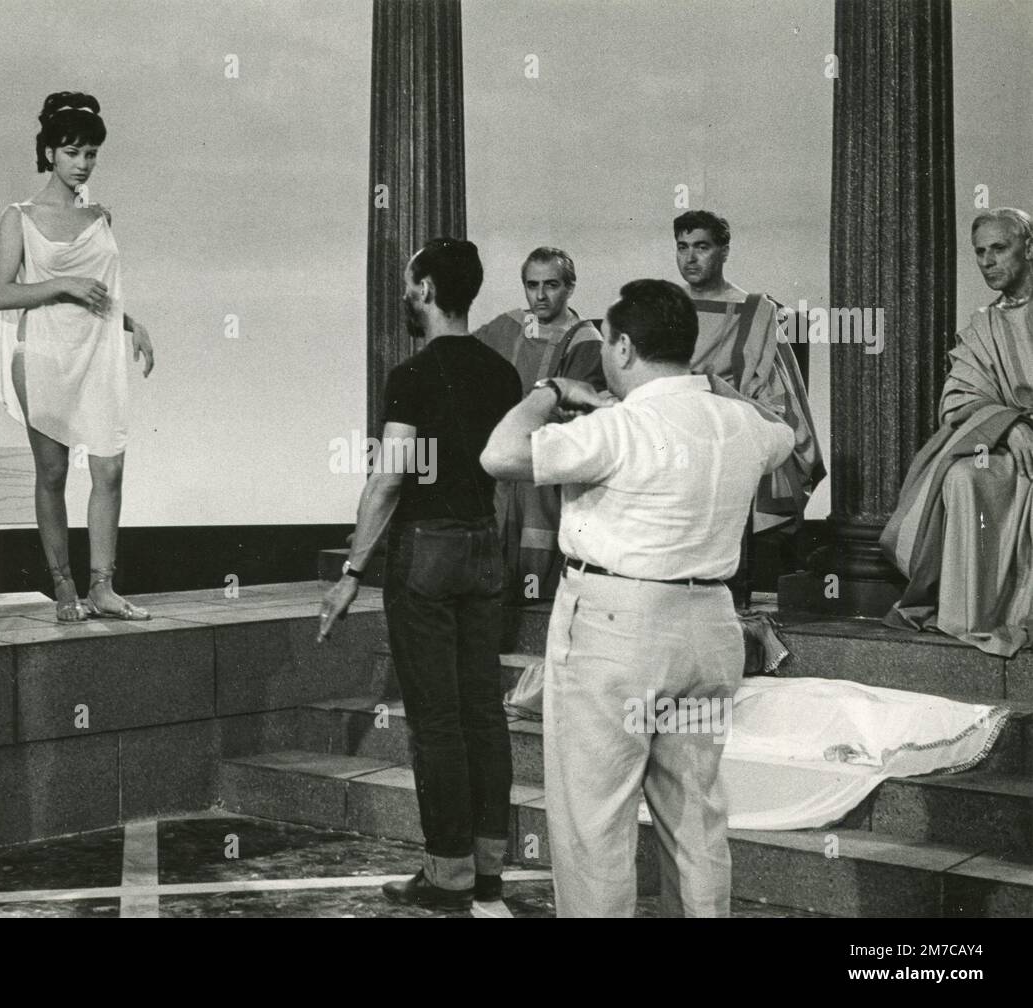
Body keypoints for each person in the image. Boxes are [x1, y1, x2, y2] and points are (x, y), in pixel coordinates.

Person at [482, 279, 794, 917]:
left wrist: (550, 391)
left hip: (616, 630)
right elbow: (781, 429)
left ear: (622, 347)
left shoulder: (618, 428)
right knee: (695, 816)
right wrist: (708, 384)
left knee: (595, 820)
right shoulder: (741, 425)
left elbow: (500, 454)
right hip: (711, 628)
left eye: (608, 346)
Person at [318, 238, 522, 917]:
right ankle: (488, 872)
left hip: (427, 552)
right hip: (484, 547)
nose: (405, 294)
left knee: (436, 722)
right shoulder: (502, 373)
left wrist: (352, 570)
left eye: (410, 283)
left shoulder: (411, 375)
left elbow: (388, 480)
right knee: (483, 714)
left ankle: (449, 875)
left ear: (428, 289)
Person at [0, 91, 155, 622]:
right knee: (54, 472)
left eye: (90, 154)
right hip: (43, 354)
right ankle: (65, 588)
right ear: (49, 153)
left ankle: (102, 586)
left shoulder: (101, 217)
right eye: (72, 152)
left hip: (98, 354)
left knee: (110, 467)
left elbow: (101, 290)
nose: (82, 163)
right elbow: (2, 294)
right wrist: (62, 284)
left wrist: (133, 323)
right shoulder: (19, 217)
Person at [881, 208, 1033, 656]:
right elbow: (958, 399)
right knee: (964, 476)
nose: (988, 261)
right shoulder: (984, 325)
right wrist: (1011, 426)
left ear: (1029, 248)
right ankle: (969, 619)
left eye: (999, 248)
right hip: (1012, 445)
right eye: (980, 252)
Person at [673, 210, 824, 606]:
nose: (690, 258)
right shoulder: (665, 307)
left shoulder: (755, 311)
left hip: (726, 425)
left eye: (701, 247)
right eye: (682, 247)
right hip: (669, 422)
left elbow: (773, 400)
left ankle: (721, 594)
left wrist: (713, 392)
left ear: (724, 251)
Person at [474, 248, 605, 604]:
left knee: (535, 554)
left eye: (551, 285)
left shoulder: (585, 340)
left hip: (545, 461)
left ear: (570, 287)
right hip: (502, 452)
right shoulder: (509, 326)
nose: (540, 296)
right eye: (532, 285)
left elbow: (576, 414)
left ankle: (533, 603)